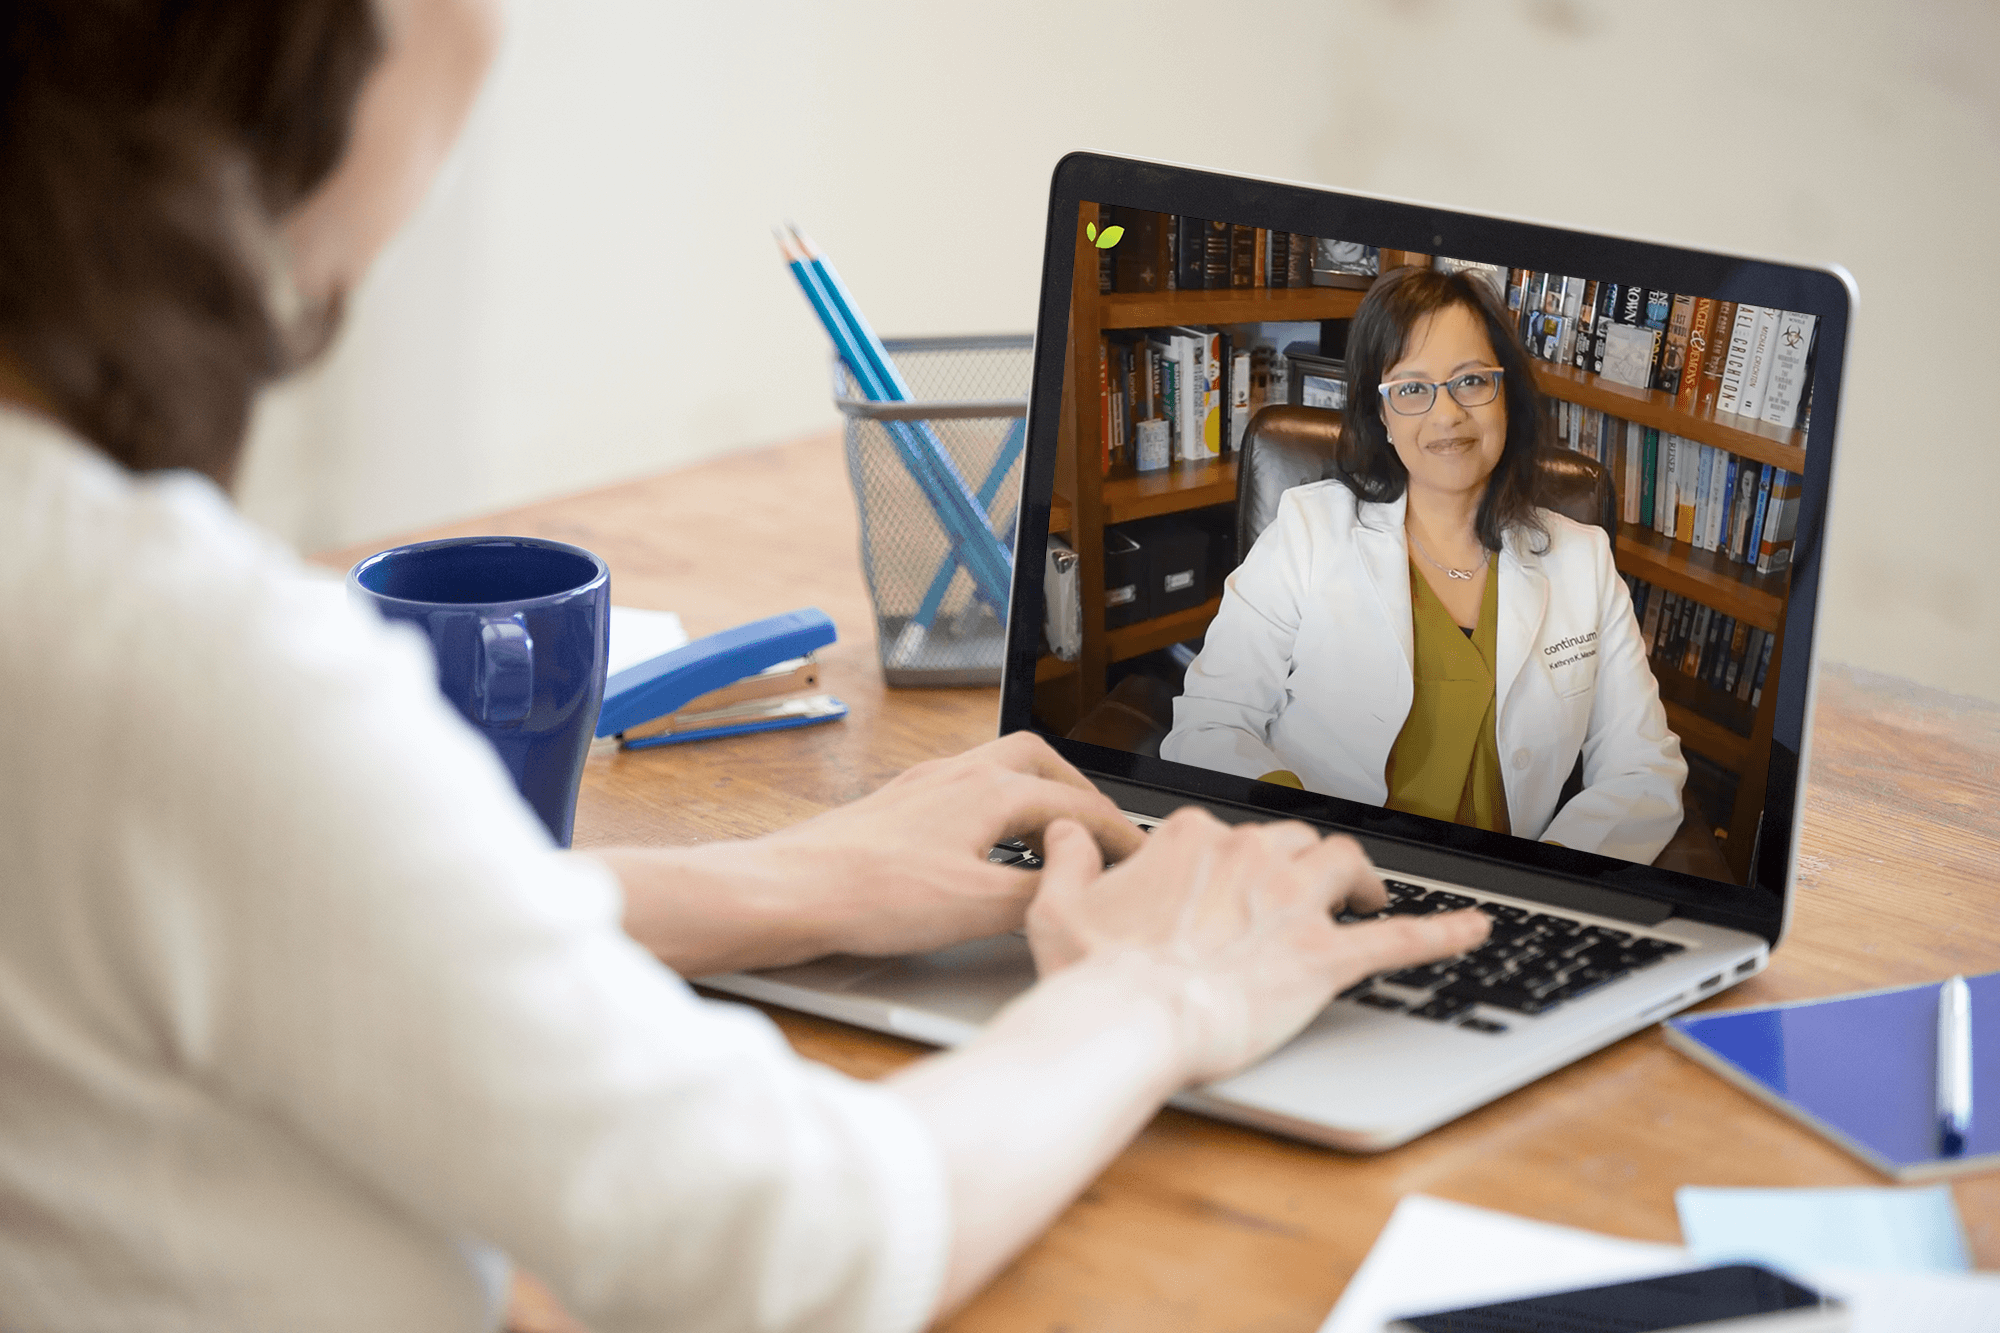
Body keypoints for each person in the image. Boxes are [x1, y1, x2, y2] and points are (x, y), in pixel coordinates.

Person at [0, 3, 1490, 1329]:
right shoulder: (172, 664)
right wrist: (1156, 990)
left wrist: (763, 884)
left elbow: (231, 913)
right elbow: (790, 1249)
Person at [1162, 267, 1686, 865]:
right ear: (1380, 413)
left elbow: (1644, 767)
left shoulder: (1583, 561)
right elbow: (1210, 725)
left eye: (1470, 381)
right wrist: (1302, 845)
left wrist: (1550, 878)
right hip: (1321, 878)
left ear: (1506, 392)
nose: (1446, 415)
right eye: (1411, 389)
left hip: (1504, 900)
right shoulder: (1307, 532)